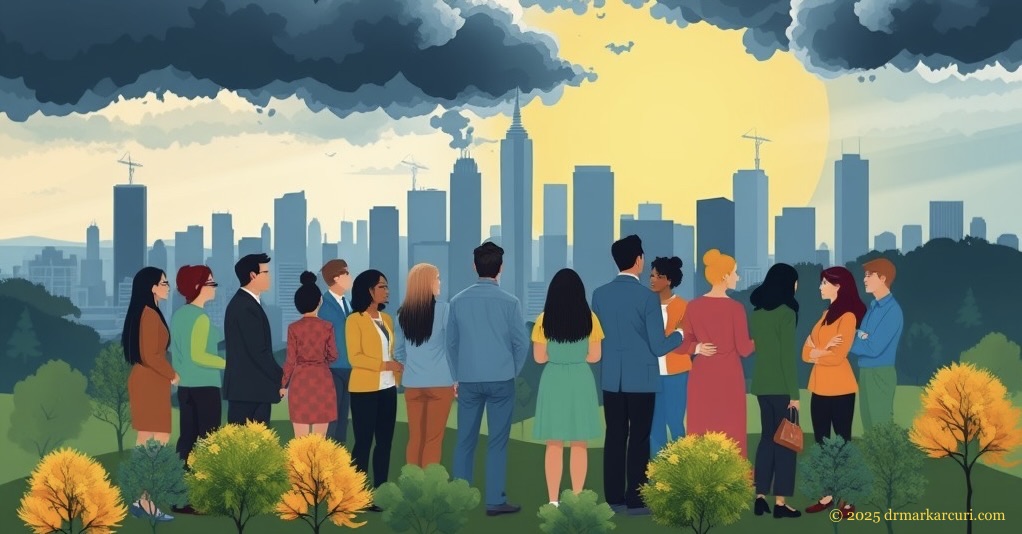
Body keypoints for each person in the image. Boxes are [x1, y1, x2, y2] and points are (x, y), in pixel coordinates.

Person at [591, 235, 684, 515]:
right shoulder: (647, 297)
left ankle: (613, 498)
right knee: (639, 439)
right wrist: (679, 335)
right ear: (638, 260)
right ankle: (636, 497)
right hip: (642, 379)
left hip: (612, 378)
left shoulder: (599, 294)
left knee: (615, 436)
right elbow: (658, 346)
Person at [447, 242, 529, 517]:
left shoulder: (457, 301)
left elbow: (451, 344)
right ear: (500, 268)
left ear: (474, 266)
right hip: (501, 379)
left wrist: (456, 376)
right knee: (497, 441)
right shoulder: (510, 302)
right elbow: (522, 344)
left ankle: (459, 498)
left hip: (468, 379)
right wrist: (512, 371)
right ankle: (494, 499)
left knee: (465, 439)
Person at [532, 268, 604, 507]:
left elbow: (539, 358)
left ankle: (553, 500)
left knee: (553, 443)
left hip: (553, 380)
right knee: (579, 442)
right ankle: (576, 497)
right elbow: (595, 356)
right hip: (580, 380)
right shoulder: (590, 318)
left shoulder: (543, 320)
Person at [678, 249, 754, 458]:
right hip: (729, 375)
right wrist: (761, 340)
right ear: (724, 276)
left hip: (702, 374)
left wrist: (696, 348)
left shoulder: (693, 307)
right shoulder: (736, 309)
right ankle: (733, 478)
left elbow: (682, 344)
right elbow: (745, 349)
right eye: (735, 273)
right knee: (731, 426)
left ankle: (700, 476)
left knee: (702, 425)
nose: (737, 277)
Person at [803, 266, 866, 518]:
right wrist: (821, 350)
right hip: (818, 388)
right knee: (821, 444)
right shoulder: (825, 315)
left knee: (842, 444)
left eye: (824, 283)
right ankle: (828, 495)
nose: (820, 287)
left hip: (840, 389)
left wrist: (817, 351)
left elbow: (838, 356)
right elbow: (804, 352)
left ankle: (848, 500)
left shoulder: (848, 317)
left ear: (838, 286)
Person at [123, 267, 178, 522]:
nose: (168, 286)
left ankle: (141, 500)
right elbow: (150, 354)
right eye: (164, 282)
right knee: (156, 440)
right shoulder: (149, 315)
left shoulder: (149, 312)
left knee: (148, 440)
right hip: (150, 382)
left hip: (150, 382)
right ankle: (145, 501)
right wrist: (172, 374)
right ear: (152, 287)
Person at [748, 263, 802, 519]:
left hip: (761, 386)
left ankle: (760, 498)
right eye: (795, 281)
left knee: (766, 439)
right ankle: (780, 503)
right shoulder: (786, 313)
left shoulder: (757, 314)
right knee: (786, 443)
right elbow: (787, 357)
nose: (797, 286)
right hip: (781, 386)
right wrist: (795, 394)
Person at [169, 265, 224, 516]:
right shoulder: (200, 318)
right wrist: (229, 363)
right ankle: (201, 499)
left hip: (187, 389)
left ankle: (179, 496)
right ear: (197, 287)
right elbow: (199, 355)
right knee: (207, 443)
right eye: (210, 283)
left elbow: (179, 353)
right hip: (205, 386)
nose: (214, 287)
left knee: (187, 441)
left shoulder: (179, 315)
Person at [346, 269, 402, 510]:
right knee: (363, 442)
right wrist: (384, 365)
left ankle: (381, 492)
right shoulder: (354, 320)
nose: (387, 291)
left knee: (385, 443)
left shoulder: (386, 320)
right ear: (368, 290)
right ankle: (357, 495)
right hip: (364, 390)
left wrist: (394, 369)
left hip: (388, 389)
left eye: (387, 286)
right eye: (382, 286)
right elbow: (354, 357)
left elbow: (390, 352)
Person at [394, 263, 456, 468]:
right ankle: (428, 487)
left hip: (412, 384)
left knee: (415, 437)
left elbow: (398, 351)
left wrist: (411, 365)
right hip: (440, 382)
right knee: (433, 439)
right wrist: (456, 377)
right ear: (427, 283)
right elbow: (452, 346)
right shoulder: (444, 309)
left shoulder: (402, 313)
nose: (440, 282)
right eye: (436, 278)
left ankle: (411, 483)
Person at [223, 253, 283, 426]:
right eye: (265, 272)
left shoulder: (246, 303)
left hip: (250, 390)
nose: (269, 276)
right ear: (252, 275)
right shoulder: (245, 307)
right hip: (248, 392)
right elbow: (258, 351)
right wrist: (280, 376)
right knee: (247, 446)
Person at [282, 272, 338, 437]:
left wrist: (283, 384)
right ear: (320, 301)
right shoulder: (327, 327)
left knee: (300, 441)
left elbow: (290, 360)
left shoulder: (293, 328)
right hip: (322, 381)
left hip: (300, 382)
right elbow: (333, 355)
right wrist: (321, 361)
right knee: (320, 441)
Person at [851, 258, 903, 430]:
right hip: (865, 372)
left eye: (869, 275)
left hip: (880, 373)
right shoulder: (873, 307)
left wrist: (855, 341)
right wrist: (861, 337)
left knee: (880, 426)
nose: (864, 279)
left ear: (882, 278)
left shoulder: (892, 310)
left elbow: (873, 348)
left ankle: (885, 458)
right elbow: (860, 336)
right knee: (868, 424)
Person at [648, 256, 691, 457]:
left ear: (669, 280)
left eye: (658, 276)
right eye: (651, 275)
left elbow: (689, 341)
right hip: (652, 374)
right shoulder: (645, 305)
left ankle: (681, 469)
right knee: (655, 425)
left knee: (675, 422)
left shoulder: (684, 306)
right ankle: (657, 474)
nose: (652, 279)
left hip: (677, 373)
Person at [319, 259, 355, 446]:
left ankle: (340, 463)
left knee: (343, 420)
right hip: (331, 369)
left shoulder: (348, 303)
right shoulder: (323, 305)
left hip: (349, 368)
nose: (350, 277)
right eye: (347, 273)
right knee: (331, 420)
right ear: (336, 277)